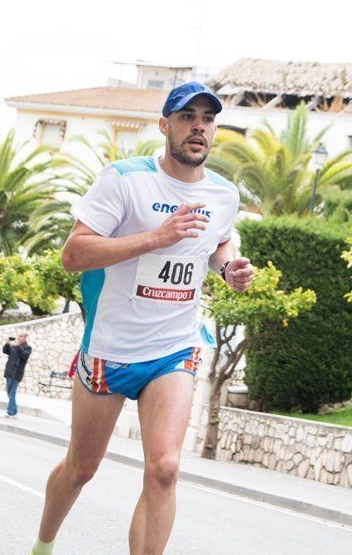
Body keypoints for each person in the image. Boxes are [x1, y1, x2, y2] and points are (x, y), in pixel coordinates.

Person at [30, 82, 254, 555]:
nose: (199, 127)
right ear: (164, 125)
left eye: (208, 119)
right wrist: (154, 238)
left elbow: (217, 242)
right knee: (81, 469)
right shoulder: (124, 179)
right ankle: (43, 545)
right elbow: (73, 254)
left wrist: (229, 266)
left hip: (175, 346)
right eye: (187, 116)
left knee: (165, 468)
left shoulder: (224, 193)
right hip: (110, 349)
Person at [2, 330, 32, 419]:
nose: (19, 337)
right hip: (9, 372)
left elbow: (24, 356)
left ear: (25, 337)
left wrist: (18, 346)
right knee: (9, 392)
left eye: (21, 336)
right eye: (18, 336)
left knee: (12, 393)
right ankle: (14, 411)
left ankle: (10, 412)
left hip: (16, 374)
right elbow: (5, 351)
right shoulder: (14, 345)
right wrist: (7, 344)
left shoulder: (27, 348)